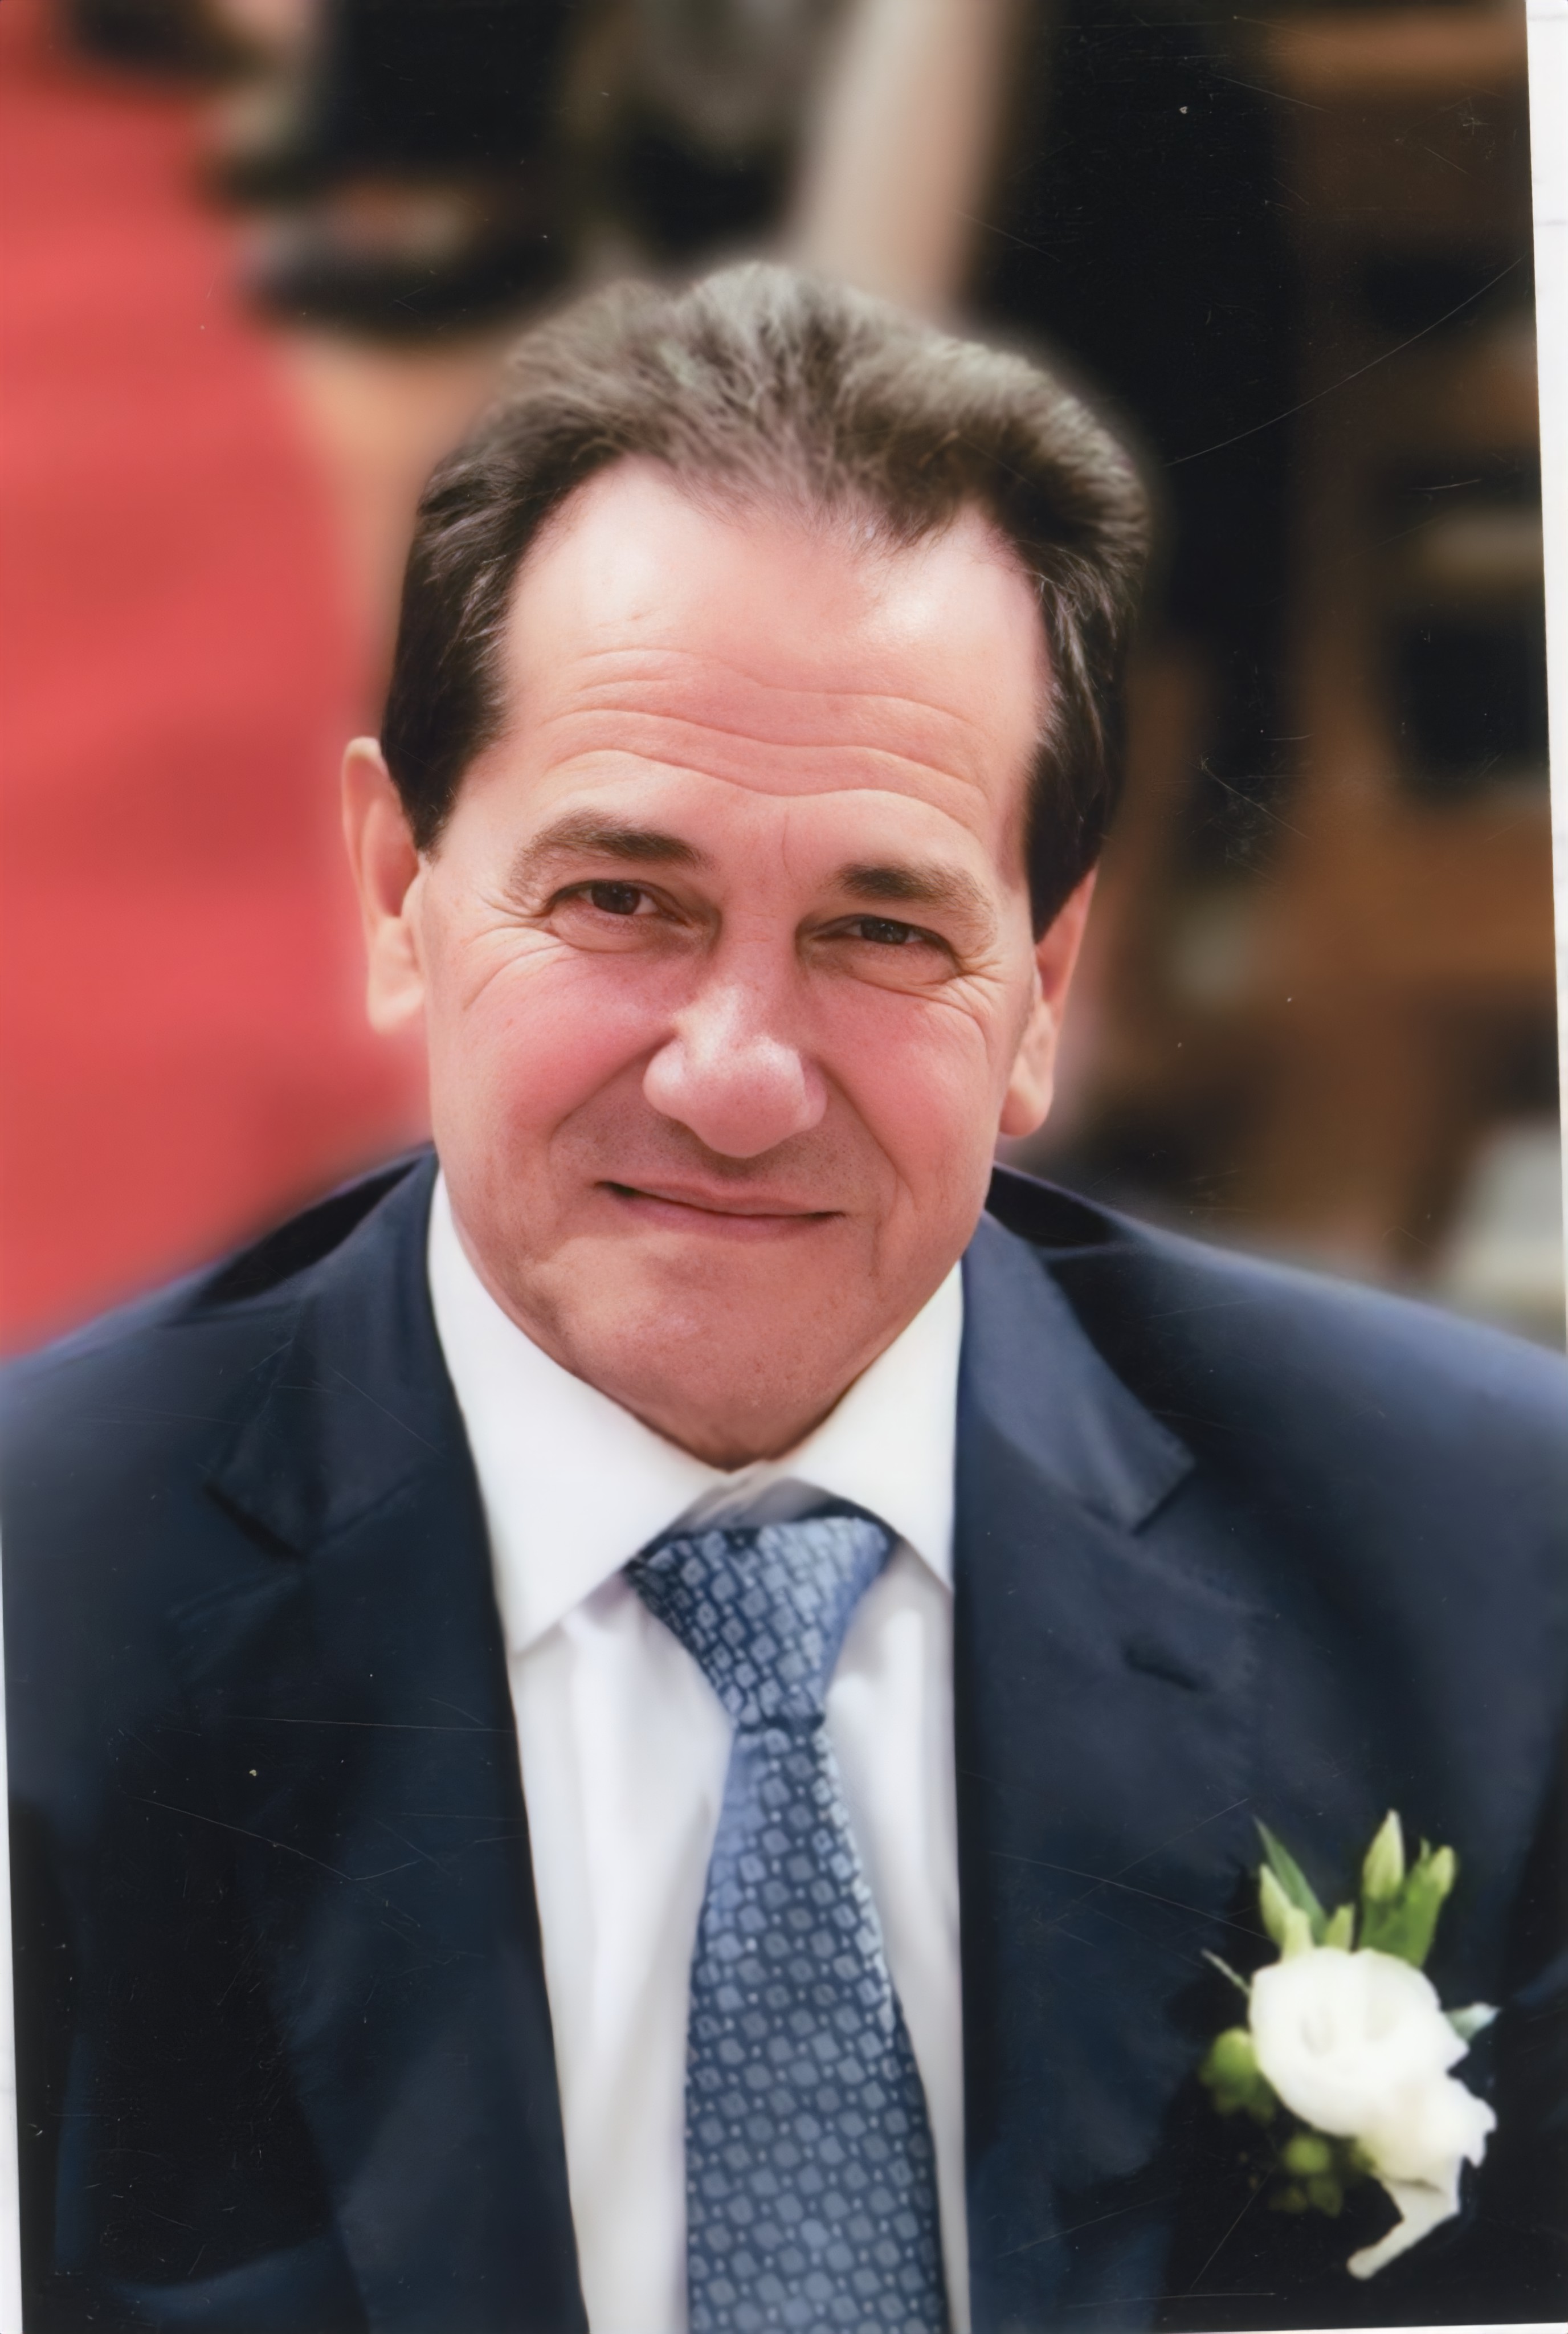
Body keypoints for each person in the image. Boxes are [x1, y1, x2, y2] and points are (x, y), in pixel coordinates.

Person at [2, 265, 1563, 2334]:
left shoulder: (1487, 1567)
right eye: (620, 898)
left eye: (882, 929)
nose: (735, 1078)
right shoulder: (43, 1602)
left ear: (1046, 987)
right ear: (398, 893)